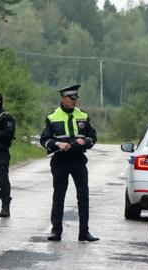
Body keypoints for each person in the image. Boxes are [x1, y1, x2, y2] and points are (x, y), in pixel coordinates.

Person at [39, 84, 99, 242]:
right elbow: (44, 140)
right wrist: (58, 144)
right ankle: (56, 231)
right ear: (63, 98)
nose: (74, 101)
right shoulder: (52, 117)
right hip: (60, 160)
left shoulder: (83, 116)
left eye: (76, 98)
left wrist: (84, 141)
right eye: (71, 98)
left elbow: (92, 137)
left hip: (78, 159)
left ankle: (84, 232)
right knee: (59, 196)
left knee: (83, 196)